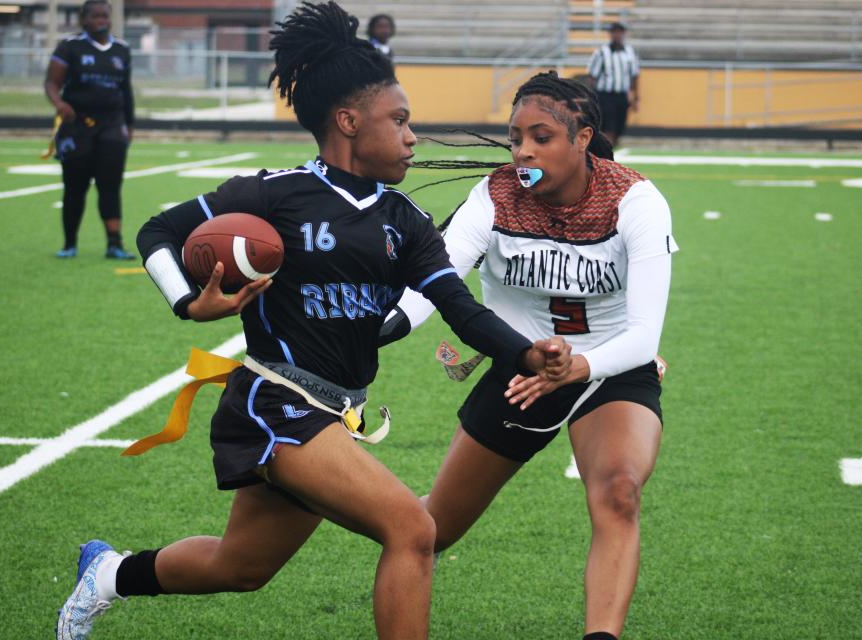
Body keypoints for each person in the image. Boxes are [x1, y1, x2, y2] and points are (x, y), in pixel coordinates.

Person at [54, 4, 571, 640]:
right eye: (400, 121)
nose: (413, 136)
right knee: (413, 529)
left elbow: (459, 308)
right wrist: (189, 301)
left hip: (339, 413)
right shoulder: (276, 194)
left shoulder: (405, 222)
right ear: (349, 122)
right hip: (277, 402)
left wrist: (527, 355)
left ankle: (106, 574)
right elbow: (158, 229)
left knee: (240, 566)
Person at [384, 71, 678, 640]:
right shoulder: (494, 195)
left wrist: (580, 366)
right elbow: (436, 277)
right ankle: (332, 497)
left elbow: (644, 335)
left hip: (610, 368)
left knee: (619, 491)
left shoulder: (635, 201)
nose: (522, 151)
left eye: (541, 136)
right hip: (522, 371)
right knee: (432, 528)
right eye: (516, 137)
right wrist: (389, 324)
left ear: (584, 136)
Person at [44, 0, 136, 260]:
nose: (101, 20)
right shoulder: (70, 47)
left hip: (112, 125)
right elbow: (51, 83)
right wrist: (60, 103)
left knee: (110, 186)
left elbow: (126, 91)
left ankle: (114, 244)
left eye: (105, 16)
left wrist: (130, 124)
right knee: (75, 186)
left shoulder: (122, 49)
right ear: (83, 19)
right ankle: (69, 243)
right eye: (95, 16)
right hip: (77, 127)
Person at [586, 22, 640, 147]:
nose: (617, 35)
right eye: (614, 32)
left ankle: (610, 152)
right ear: (610, 34)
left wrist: (635, 97)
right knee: (608, 128)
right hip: (605, 95)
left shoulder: (629, 52)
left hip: (621, 95)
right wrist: (590, 98)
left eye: (620, 32)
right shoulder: (601, 53)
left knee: (619, 128)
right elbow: (592, 76)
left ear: (624, 34)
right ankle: (606, 155)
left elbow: (634, 76)